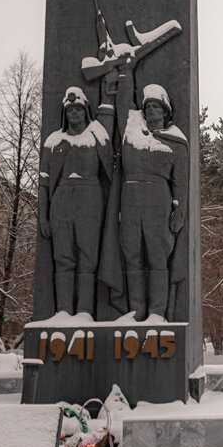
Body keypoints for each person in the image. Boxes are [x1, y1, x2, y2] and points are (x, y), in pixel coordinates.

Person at [38, 87, 113, 317]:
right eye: (70, 110)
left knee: (88, 258)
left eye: (79, 109)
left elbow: (110, 175)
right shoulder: (54, 141)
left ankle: (84, 311)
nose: (75, 114)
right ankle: (63, 310)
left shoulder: (96, 136)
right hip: (61, 201)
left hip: (90, 200)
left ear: (86, 111)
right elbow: (44, 183)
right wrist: (43, 215)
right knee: (63, 258)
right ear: (65, 112)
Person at [117, 83, 188, 323]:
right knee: (133, 256)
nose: (151, 110)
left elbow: (180, 183)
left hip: (159, 202)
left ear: (166, 110)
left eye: (156, 106)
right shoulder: (132, 133)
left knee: (157, 258)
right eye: (147, 106)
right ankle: (137, 309)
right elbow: (123, 105)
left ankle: (157, 311)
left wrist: (180, 212)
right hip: (130, 201)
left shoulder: (176, 143)